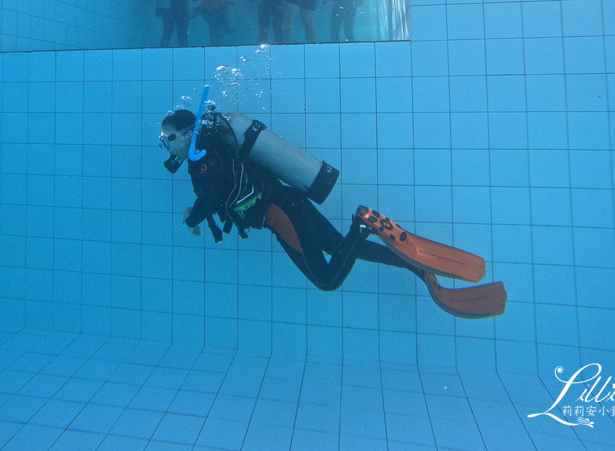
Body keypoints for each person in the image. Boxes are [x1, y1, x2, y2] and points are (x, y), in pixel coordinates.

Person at [160, 106, 507, 318]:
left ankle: (362, 224)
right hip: (289, 199)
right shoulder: (216, 147)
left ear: (186, 134)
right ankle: (416, 266)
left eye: (168, 138)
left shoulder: (201, 159)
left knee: (327, 279)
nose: (167, 145)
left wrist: (192, 218)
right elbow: (219, 190)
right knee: (338, 249)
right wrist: (199, 207)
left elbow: (210, 196)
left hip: (278, 212)